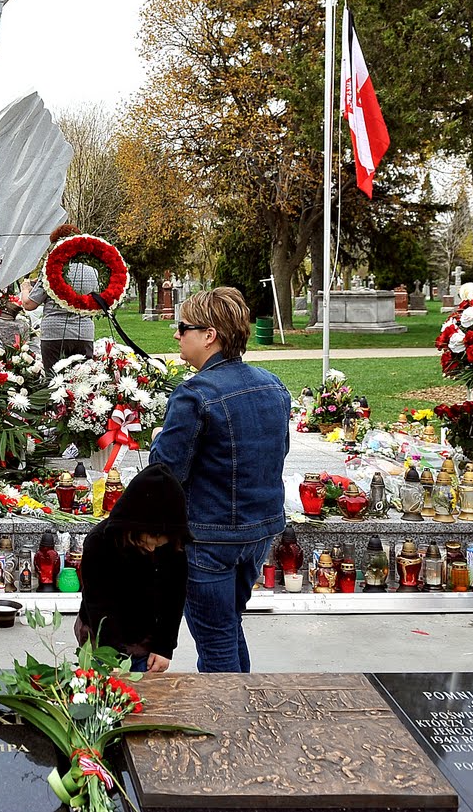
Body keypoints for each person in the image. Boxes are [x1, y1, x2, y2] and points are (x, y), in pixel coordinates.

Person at [148, 287, 289, 672]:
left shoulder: (195, 394)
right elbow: (276, 453)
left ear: (209, 335)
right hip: (258, 532)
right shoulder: (272, 384)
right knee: (227, 626)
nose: (176, 335)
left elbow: (166, 473)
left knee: (216, 643)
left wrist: (158, 438)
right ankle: (244, 701)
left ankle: (227, 709)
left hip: (208, 537)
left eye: (183, 328)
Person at [75, 463, 189, 672]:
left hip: (145, 637)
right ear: (131, 527)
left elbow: (174, 596)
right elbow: (98, 605)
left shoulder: (173, 546)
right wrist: (111, 658)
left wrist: (164, 647)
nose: (152, 548)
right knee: (105, 687)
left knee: (143, 688)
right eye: (146, 543)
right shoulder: (100, 543)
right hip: (102, 635)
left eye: (159, 544)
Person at [18, 223, 96, 370]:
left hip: (54, 335)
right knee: (82, 378)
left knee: (54, 378)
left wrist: (25, 288)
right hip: (83, 334)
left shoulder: (51, 271)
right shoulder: (93, 272)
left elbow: (29, 304)